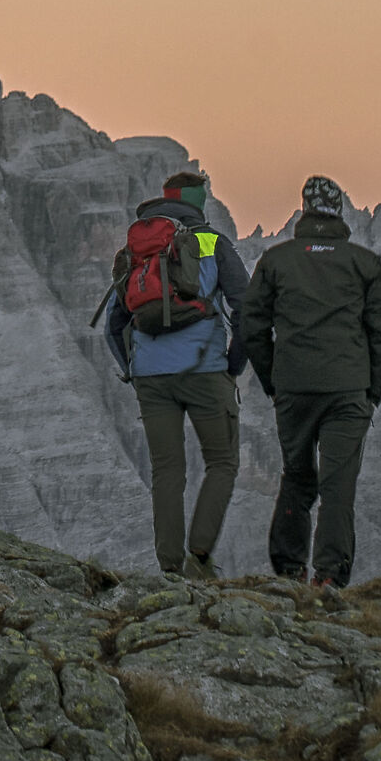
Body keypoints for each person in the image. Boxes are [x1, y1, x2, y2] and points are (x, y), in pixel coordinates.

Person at [240, 174, 381, 589]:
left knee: (297, 476)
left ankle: (290, 569)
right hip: (348, 390)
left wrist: (272, 376)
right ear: (340, 210)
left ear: (304, 209)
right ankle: (329, 577)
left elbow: (251, 322)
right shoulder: (365, 264)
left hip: (293, 388)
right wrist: (372, 389)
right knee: (338, 485)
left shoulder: (276, 260)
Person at [105, 168, 251, 579]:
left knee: (166, 471)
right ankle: (199, 559)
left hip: (152, 379)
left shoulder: (139, 250)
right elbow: (249, 311)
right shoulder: (212, 243)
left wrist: (134, 373)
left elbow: (113, 326)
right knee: (221, 462)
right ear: (199, 202)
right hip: (205, 371)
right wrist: (232, 366)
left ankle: (169, 568)